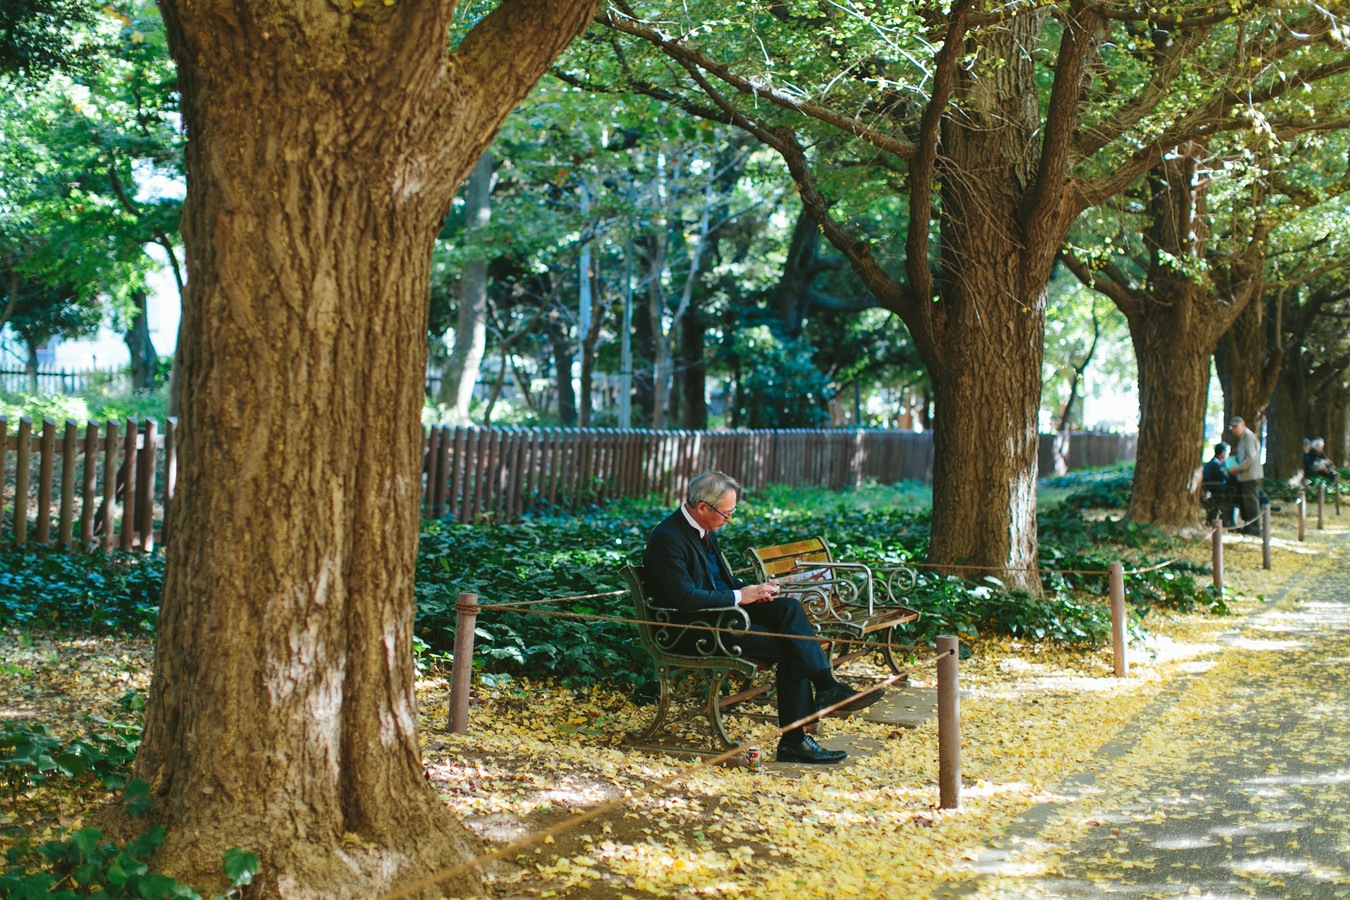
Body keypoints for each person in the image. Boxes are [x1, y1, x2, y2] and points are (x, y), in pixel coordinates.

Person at [642, 470, 883, 765]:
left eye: (733, 512)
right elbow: (685, 598)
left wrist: (755, 592)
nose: (728, 520)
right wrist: (739, 596)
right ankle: (796, 740)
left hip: (722, 618)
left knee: (788, 609)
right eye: (726, 514)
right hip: (695, 630)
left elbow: (724, 583)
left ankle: (827, 687)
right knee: (790, 647)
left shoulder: (706, 530)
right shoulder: (667, 538)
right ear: (703, 507)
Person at [1227, 417, 1263, 535]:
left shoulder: (1249, 437)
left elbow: (1250, 458)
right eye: (1232, 428)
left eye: (1236, 427)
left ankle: (1254, 528)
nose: (1234, 430)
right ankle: (1248, 525)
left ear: (1243, 425)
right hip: (1244, 475)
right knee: (1246, 502)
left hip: (1249, 475)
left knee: (1251, 502)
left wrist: (1238, 468)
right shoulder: (1243, 438)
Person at [1201, 443, 1233, 525]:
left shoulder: (1214, 463)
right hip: (1215, 490)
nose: (1228, 455)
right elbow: (1225, 476)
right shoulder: (1216, 464)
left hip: (1213, 489)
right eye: (1228, 453)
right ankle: (1229, 522)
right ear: (1223, 453)